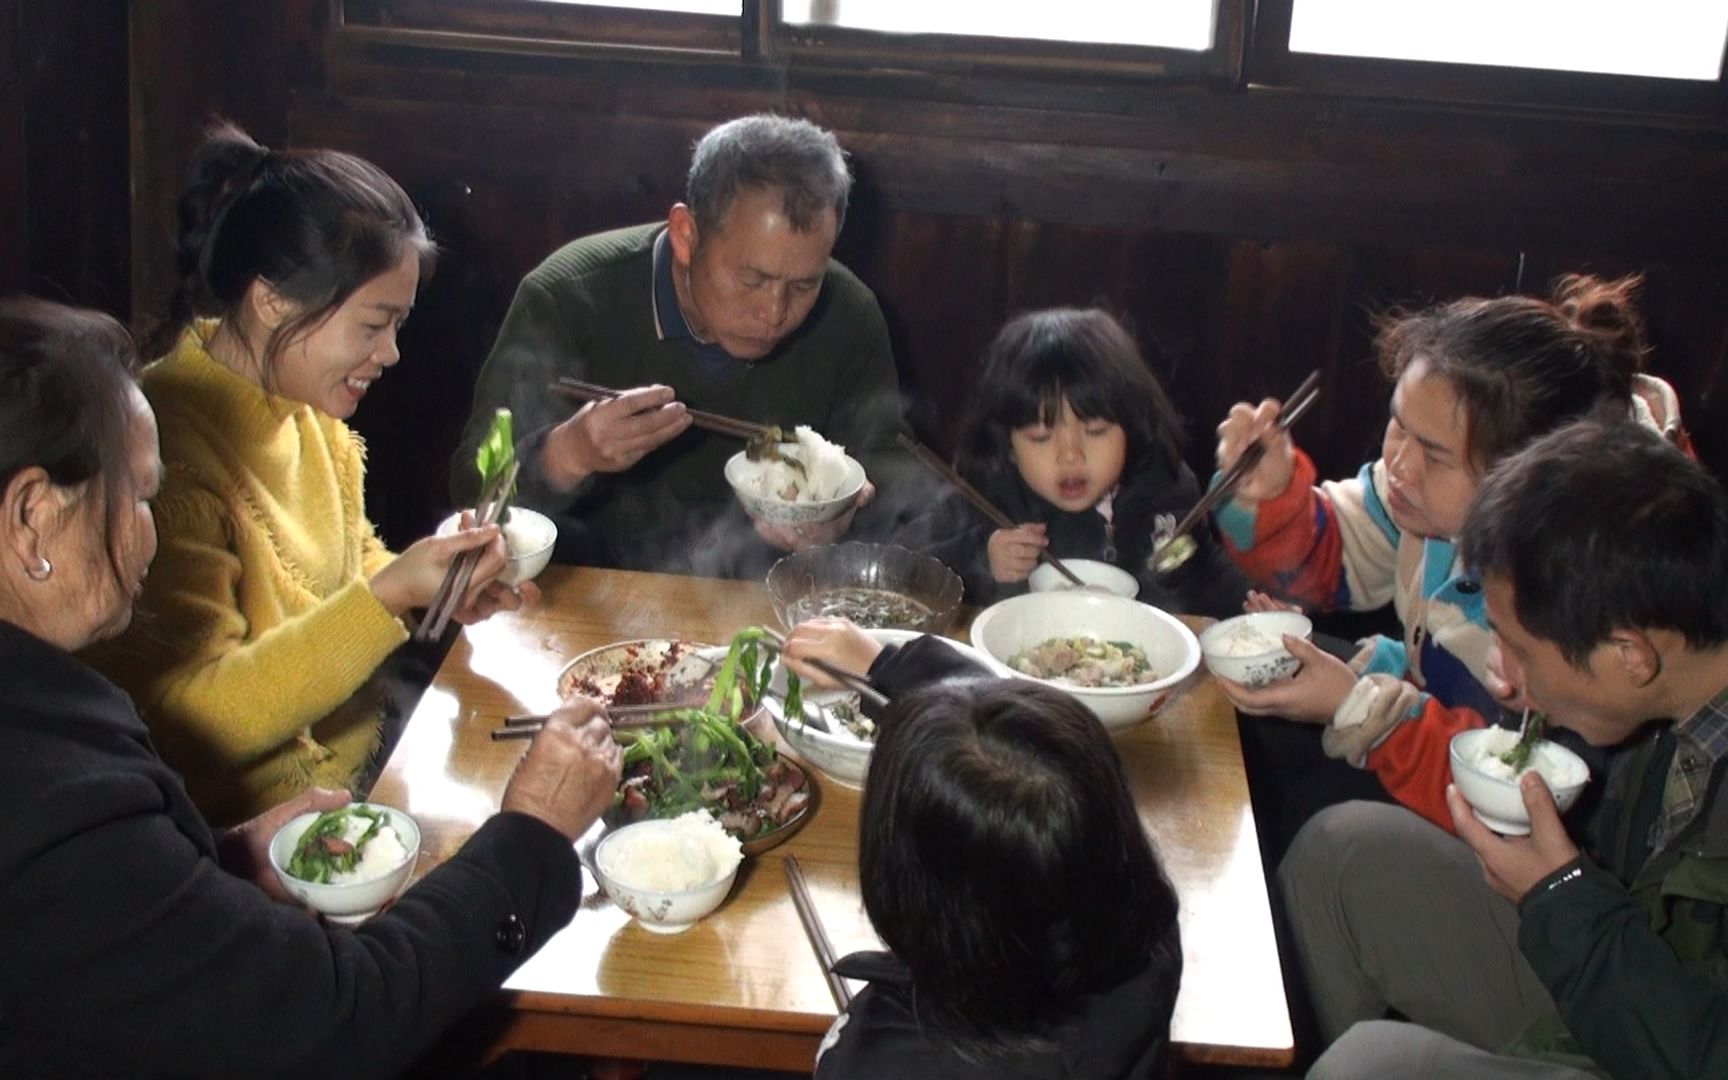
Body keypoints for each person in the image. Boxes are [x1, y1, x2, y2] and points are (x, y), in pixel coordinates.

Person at [0, 296, 622, 1078]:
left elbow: (100, 932)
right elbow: (339, 1020)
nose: (150, 534)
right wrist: (532, 832)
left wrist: (219, 868)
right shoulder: (58, 806)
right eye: (139, 498)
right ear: (31, 517)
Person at [89, 123, 528, 825]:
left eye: (398, 325)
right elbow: (190, 726)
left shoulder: (304, 407)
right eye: (373, 324)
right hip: (245, 832)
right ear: (271, 300)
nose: (390, 354)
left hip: (362, 770)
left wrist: (437, 586)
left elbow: (345, 567)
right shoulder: (163, 453)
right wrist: (388, 595)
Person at [1281, 419, 1728, 1078]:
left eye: (1519, 649)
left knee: (1367, 1067)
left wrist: (1562, 893)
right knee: (1340, 855)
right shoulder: (1663, 681)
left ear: (1629, 654)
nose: (1504, 673)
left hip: (1673, 1041)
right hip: (1614, 962)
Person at [1212, 274, 1684, 833]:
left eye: (1434, 455)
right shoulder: (1419, 501)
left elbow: (1507, 784)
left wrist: (1356, 709)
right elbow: (1325, 563)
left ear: (1527, 475)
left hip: (1504, 831)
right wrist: (1272, 496)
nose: (1400, 465)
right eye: (1398, 426)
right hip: (1424, 733)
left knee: (1303, 811)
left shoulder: (1567, 604)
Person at [451, 113, 910, 577]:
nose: (774, 313)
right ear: (685, 235)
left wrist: (845, 518)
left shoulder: (849, 313)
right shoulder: (568, 297)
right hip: (585, 593)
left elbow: (897, 493)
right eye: (752, 278)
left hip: (770, 597)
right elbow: (470, 494)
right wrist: (567, 455)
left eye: (804, 285)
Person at [782, 620, 1183, 1078]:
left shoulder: (879, 1061)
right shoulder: (1141, 928)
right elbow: (1021, 754)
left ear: (906, 887)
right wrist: (883, 664)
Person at [906, 306, 1246, 616]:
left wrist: (1255, 608)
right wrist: (979, 556)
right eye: (1041, 437)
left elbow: (1208, 572)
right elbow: (903, 566)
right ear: (1007, 442)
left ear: (1131, 425)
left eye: (1095, 431)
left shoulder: (1165, 486)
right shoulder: (986, 494)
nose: (1070, 455)